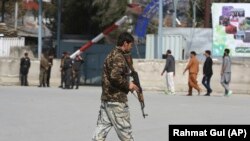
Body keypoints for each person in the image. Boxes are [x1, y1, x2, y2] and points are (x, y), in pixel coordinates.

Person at [92, 32, 139, 141]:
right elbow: (115, 76)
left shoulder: (111, 54)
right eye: (131, 45)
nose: (131, 48)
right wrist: (129, 85)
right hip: (116, 101)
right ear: (125, 43)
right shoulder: (118, 57)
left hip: (107, 100)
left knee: (100, 131)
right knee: (126, 134)